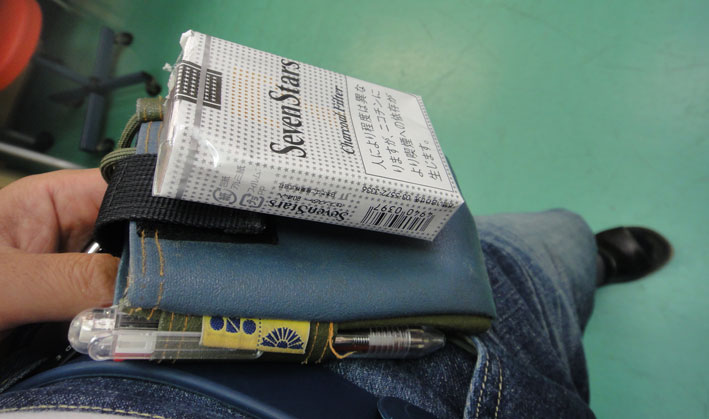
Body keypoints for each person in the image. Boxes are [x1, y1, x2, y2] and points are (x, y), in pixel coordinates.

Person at [0, 169, 672, 418]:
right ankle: (585, 264)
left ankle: (588, 263)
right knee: (546, 249)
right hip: (435, 367)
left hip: (54, 368)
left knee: (547, 243)